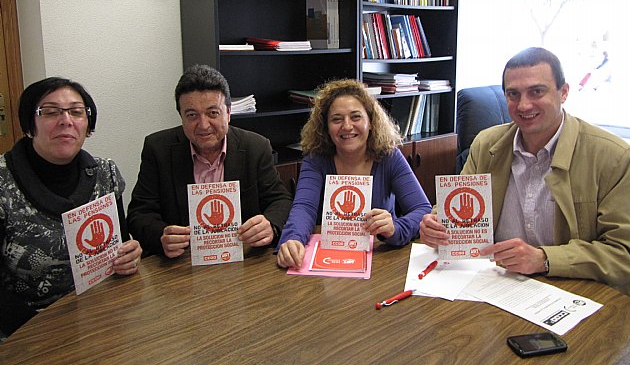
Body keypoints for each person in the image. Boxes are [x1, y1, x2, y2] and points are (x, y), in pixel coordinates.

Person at [420, 47, 630, 299]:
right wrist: (435, 225)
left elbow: (628, 254)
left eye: (537, 91)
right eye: (513, 94)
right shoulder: (486, 145)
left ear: (563, 92)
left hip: (578, 293)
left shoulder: (614, 156)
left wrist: (544, 259)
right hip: (495, 285)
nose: (523, 105)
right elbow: (454, 211)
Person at [0, 77, 142, 340]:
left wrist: (129, 255)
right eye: (50, 112)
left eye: (76, 112)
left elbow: (120, 244)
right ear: (30, 123)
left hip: (103, 317)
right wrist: (42, 335)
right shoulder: (3, 182)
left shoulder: (106, 173)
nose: (66, 120)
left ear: (88, 125)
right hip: (28, 331)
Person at [127, 64, 292, 258]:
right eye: (192, 115)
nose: (204, 125)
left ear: (228, 113)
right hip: (181, 262)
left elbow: (280, 200)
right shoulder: (158, 148)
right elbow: (139, 214)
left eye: (213, 113)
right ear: (181, 116)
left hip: (241, 258)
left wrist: (270, 224)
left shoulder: (256, 147)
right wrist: (161, 236)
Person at [277, 79, 431, 269]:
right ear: (326, 127)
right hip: (329, 258)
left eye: (356, 117)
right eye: (337, 119)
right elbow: (304, 208)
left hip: (381, 259)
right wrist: (293, 240)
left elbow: (422, 210)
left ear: (371, 122)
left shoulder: (389, 156)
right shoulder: (316, 159)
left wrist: (395, 228)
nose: (347, 126)